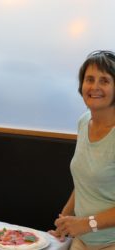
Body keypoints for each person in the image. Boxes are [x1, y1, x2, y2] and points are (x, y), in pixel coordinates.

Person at [49, 50, 115, 249]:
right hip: (82, 240)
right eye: (89, 79)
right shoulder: (84, 121)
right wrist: (65, 221)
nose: (95, 87)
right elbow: (84, 182)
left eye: (104, 80)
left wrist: (86, 224)